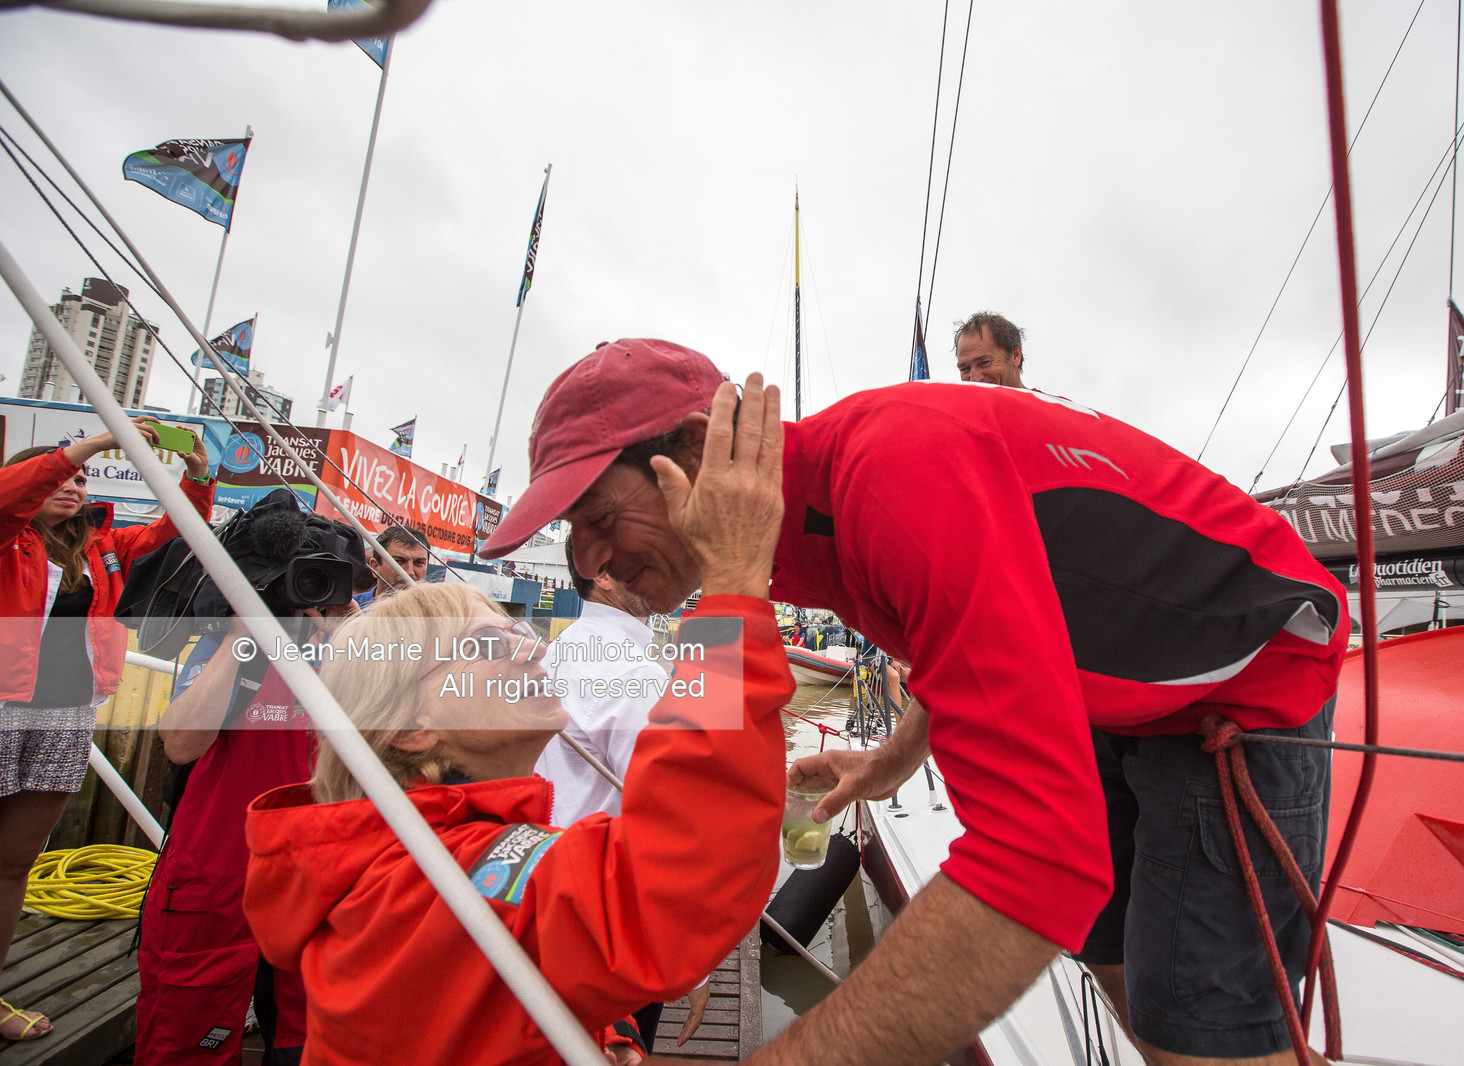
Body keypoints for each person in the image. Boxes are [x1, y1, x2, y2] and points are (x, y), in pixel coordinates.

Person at [480, 339, 1349, 1066]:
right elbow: (979, 630)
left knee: (1199, 1026)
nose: (591, 563)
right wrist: (892, 758)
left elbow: (1037, 860)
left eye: (599, 518)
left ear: (705, 451)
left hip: (1242, 686)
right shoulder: (791, 539)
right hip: (1110, 692)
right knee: (1122, 963)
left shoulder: (891, 477)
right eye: (573, 536)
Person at [240, 372, 789, 1066]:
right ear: (412, 729)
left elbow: (499, 977)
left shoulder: (419, 862)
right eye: (485, 645)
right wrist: (734, 588)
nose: (529, 646)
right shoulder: (424, 888)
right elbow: (674, 890)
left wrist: (604, 1030)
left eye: (515, 629)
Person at [0, 421, 213, 1044]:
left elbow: (176, 529)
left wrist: (198, 474)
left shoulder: (103, 548)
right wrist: (90, 444)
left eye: (82, 477)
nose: (74, 482)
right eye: (61, 473)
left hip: (66, 714)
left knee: (13, 865)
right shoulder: (8, 535)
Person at [138, 525, 366, 1064]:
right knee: (190, 1035)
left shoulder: (349, 657)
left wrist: (353, 639)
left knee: (304, 1039)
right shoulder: (233, 648)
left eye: (331, 584)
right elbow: (181, 744)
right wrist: (245, 636)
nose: (316, 597)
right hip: (221, 875)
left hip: (313, 879)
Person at [535, 538, 712, 1051]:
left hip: (551, 899)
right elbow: (669, 823)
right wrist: (693, 966)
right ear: (605, 574)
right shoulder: (635, 676)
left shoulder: (558, 652)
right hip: (613, 922)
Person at [353, 524, 430, 607]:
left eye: (418, 563)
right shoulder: (348, 609)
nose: (410, 572)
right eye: (398, 561)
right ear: (375, 566)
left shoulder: (437, 613)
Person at [953, 311, 1026, 388]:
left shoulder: (1039, 399)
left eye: (984, 363)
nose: (974, 379)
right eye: (965, 369)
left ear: (1015, 355)